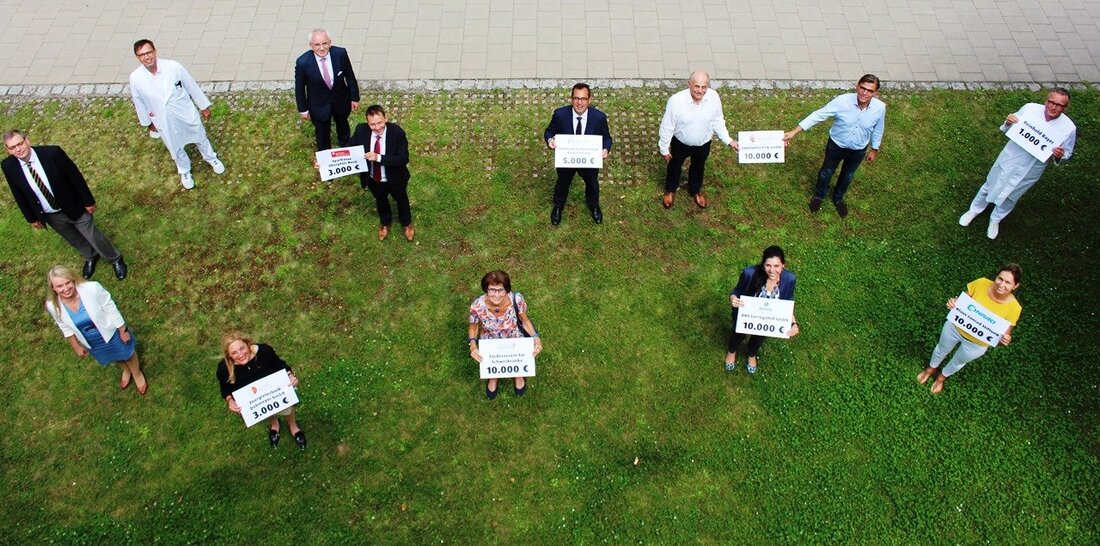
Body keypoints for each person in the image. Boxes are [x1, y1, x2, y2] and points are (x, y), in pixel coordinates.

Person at [3, 130, 127, 280]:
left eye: (20, 144)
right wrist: (31, 218)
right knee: (74, 239)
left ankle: (114, 258)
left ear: (27, 140)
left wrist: (88, 201)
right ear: (7, 149)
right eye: (12, 147)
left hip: (73, 205)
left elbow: (75, 176)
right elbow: (17, 193)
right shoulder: (8, 166)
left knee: (93, 236)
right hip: (50, 214)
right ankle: (91, 256)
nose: (18, 149)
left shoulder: (52, 153)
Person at [958, 88, 1076, 240]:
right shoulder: (1030, 109)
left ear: (1065, 108)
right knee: (990, 184)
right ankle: (974, 210)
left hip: (1033, 167)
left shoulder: (1069, 128)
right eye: (1051, 102)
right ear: (1046, 101)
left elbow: (1067, 152)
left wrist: (1060, 155)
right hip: (1011, 157)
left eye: (1059, 105)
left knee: (1012, 195)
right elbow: (1010, 126)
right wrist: (1009, 121)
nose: (1053, 107)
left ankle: (996, 219)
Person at [783, 74, 886, 218]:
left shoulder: (880, 108)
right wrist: (794, 131)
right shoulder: (842, 101)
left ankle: (838, 198)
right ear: (857, 86)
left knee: (847, 175)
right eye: (862, 88)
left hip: (858, 150)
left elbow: (878, 129)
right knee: (826, 172)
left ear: (875, 93)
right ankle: (819, 196)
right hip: (836, 146)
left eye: (870, 91)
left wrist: (875, 148)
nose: (864, 93)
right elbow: (818, 115)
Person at [129, 39, 225, 190]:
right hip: (163, 119)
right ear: (138, 57)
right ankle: (185, 170)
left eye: (148, 52)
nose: (146, 57)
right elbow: (138, 101)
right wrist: (148, 122)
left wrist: (203, 106)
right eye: (142, 55)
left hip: (184, 111)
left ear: (154, 51)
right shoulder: (136, 78)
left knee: (199, 135)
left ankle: (211, 157)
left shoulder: (173, 67)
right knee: (175, 146)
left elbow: (190, 85)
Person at [917, 265, 1022, 394]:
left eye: (1008, 282)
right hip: (955, 328)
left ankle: (941, 378)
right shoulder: (981, 283)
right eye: (1000, 279)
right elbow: (961, 301)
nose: (1001, 284)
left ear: (1015, 286)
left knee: (957, 362)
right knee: (941, 349)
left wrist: (1004, 340)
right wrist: (954, 302)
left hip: (976, 344)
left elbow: (1000, 339)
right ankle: (930, 369)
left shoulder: (1014, 308)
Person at [44, 265, 146, 393]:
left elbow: (110, 308)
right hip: (91, 340)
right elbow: (63, 325)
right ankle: (126, 370)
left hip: (110, 331)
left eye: (68, 283)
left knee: (128, 353)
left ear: (73, 280)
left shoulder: (92, 288)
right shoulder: (52, 305)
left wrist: (122, 330)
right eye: (59, 286)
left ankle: (136, 373)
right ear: (53, 288)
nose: (66, 289)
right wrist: (76, 346)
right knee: (113, 356)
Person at [657, 70, 738, 209]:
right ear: (689, 84)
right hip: (680, 143)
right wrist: (664, 149)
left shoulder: (713, 97)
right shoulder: (676, 101)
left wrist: (729, 140)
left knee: (698, 167)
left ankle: (695, 190)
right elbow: (667, 126)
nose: (700, 91)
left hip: (703, 143)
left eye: (704, 87)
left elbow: (718, 120)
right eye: (697, 86)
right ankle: (670, 189)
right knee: (674, 166)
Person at [217, 331, 307, 449]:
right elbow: (225, 388)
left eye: (242, 348)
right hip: (258, 401)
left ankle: (293, 427)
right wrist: (229, 400)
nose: (240, 355)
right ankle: (275, 425)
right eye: (234, 353)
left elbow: (279, 365)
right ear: (228, 355)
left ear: (247, 344)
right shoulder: (224, 368)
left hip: (277, 393)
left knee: (287, 409)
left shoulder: (264, 351)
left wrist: (289, 375)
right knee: (267, 413)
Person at [543, 82, 613, 225]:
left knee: (592, 184)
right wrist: (550, 140)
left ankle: (594, 206)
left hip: (588, 162)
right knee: (562, 183)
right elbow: (549, 131)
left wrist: (605, 148)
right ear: (571, 99)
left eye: (583, 99)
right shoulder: (560, 114)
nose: (579, 103)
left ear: (589, 100)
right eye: (576, 98)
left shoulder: (599, 117)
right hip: (567, 161)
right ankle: (558, 207)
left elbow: (607, 137)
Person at [724, 246, 800, 374]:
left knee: (759, 338)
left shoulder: (789, 279)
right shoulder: (749, 273)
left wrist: (793, 323)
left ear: (783, 266)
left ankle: (751, 354)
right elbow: (736, 291)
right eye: (768, 265)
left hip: (768, 319)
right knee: (737, 335)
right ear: (763, 264)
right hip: (745, 314)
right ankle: (732, 352)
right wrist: (733, 299)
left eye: (776, 266)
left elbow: (787, 303)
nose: (772, 270)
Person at [468, 270, 543, 399]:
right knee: (492, 366)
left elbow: (524, 320)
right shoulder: (477, 306)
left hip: (514, 336)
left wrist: (536, 338)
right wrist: (473, 344)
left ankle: (518, 374)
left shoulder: (516, 300)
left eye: (500, 290)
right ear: (486, 289)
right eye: (492, 290)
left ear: (507, 290)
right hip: (490, 340)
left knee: (517, 363)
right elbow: (473, 327)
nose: (496, 295)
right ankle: (493, 377)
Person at [347, 105, 414, 242]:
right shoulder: (361, 130)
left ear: (386, 118)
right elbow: (348, 150)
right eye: (372, 124)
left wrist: (379, 158)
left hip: (395, 178)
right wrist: (325, 164)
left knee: (402, 201)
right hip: (374, 179)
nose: (377, 128)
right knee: (381, 201)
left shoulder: (397, 133)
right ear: (367, 122)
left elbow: (403, 158)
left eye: (380, 123)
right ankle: (385, 223)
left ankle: (406, 223)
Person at [295, 28, 360, 151]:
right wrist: (303, 109)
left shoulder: (340, 54)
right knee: (322, 133)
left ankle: (346, 148)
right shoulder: (303, 62)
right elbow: (299, 88)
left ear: (330, 43)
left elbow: (350, 76)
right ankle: (326, 157)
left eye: (324, 43)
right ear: (311, 46)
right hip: (318, 105)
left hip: (340, 101)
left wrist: (355, 97)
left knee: (343, 125)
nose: (321, 48)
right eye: (317, 45)